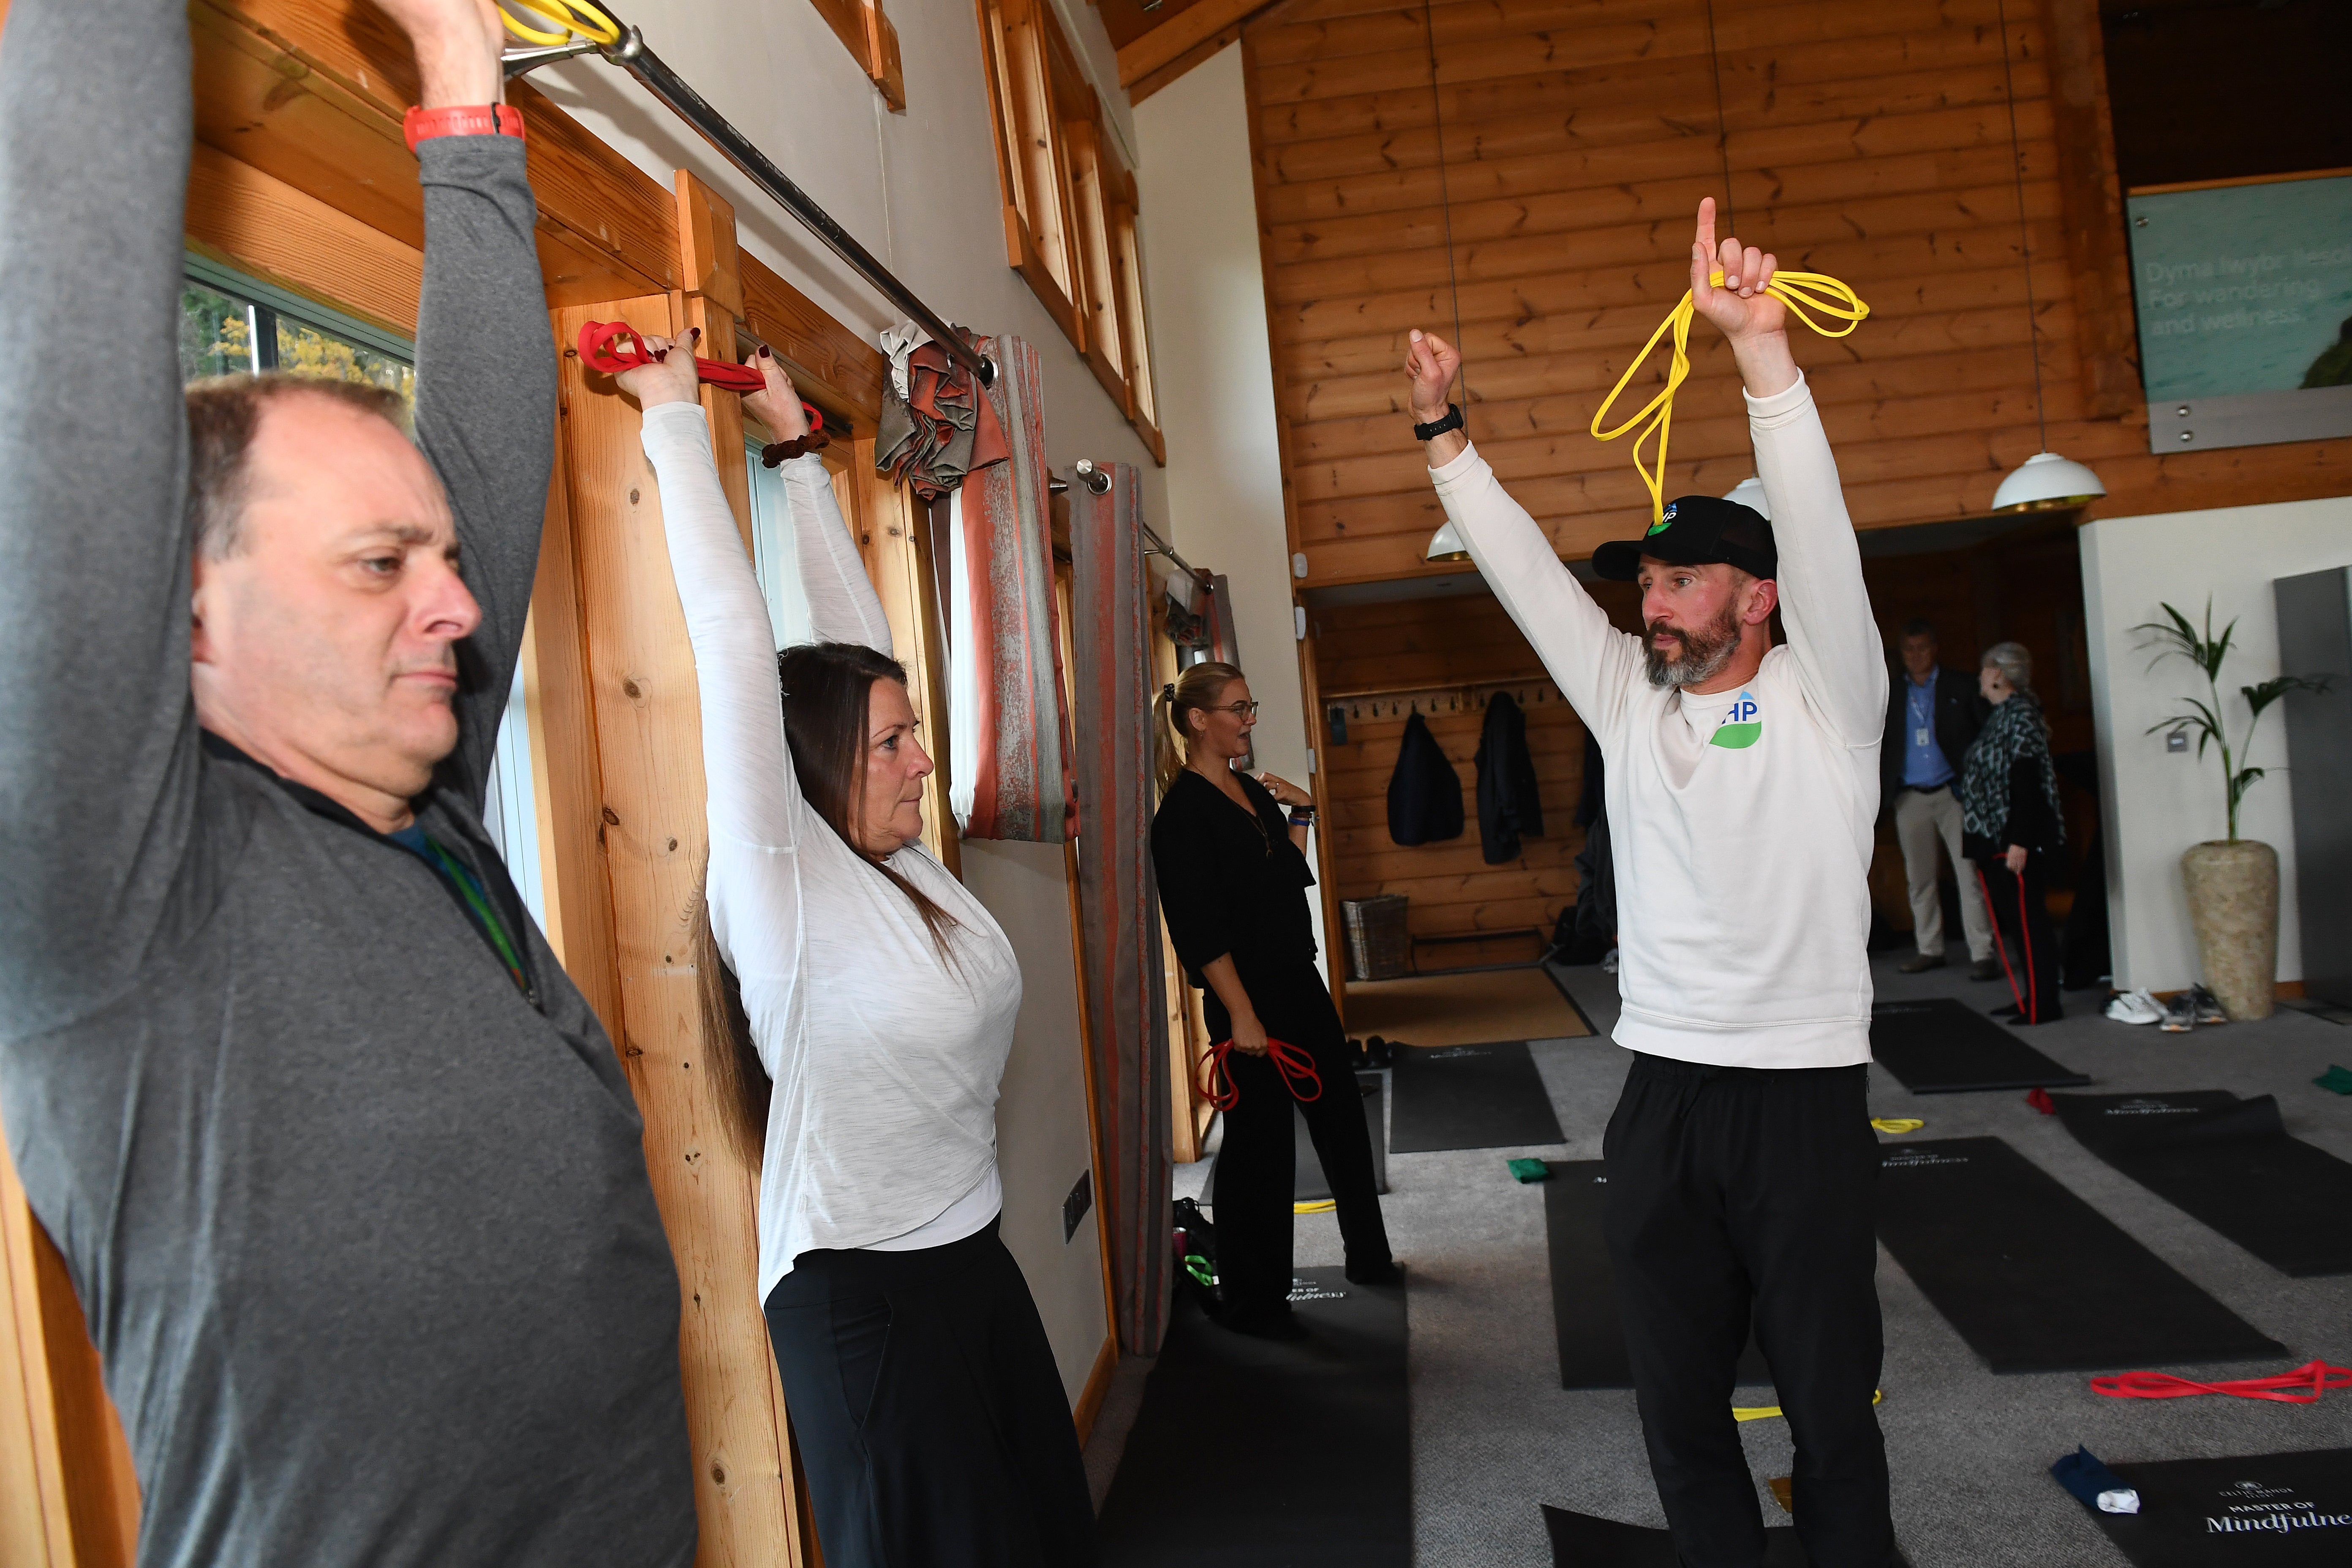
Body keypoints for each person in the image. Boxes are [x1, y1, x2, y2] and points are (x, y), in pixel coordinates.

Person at [0, 0, 696, 1562]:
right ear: (181, 610)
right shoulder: (117, 892)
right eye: (381, 564)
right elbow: (65, 307)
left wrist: (460, 69)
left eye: (438, 558)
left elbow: (487, 450)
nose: (455, 602)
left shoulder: (420, 809)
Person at [1404, 200, 1895, 1567]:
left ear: (1758, 597)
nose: (1651, 602)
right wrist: (1444, 432)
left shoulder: (1832, 703)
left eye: (1683, 581)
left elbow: (1819, 530)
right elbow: (1520, 570)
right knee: (1676, 1408)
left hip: (1802, 1103)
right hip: (1662, 1096)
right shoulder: (1627, 699)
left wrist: (1761, 355)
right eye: (1647, 583)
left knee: (1828, 1408)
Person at [615, 338, 1096, 1566]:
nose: (920, 760)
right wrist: (672, 417)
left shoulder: (902, 856)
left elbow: (858, 642)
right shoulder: (780, 885)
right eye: (892, 744)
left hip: (970, 1265)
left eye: (912, 735)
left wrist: (798, 454)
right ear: (828, 759)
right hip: (860, 1303)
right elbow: (736, 646)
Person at [1149, 663, 1397, 1340]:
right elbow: (1200, 931)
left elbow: (1289, 876)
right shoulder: (1180, 818)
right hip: (1246, 998)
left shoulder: (1252, 792)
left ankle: (1369, 1256)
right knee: (1260, 1152)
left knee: (1342, 1117)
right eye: (1238, 709)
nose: (1250, 720)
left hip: (1297, 980)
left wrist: (1302, 811)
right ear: (1198, 720)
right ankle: (1256, 1304)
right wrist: (1242, 1014)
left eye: (1250, 706)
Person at [1881, 619, 1997, 978]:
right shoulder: (1890, 693)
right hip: (1910, 797)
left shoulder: (1960, 685)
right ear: (1902, 654)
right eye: (1910, 649)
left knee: (1969, 876)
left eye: (1923, 648)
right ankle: (1929, 949)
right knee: (1919, 879)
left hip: (1953, 794)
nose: (1916, 655)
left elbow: (1985, 734)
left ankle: (1983, 953)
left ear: (1935, 649)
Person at [1960, 642, 2066, 1024]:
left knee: (2030, 923)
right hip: (1993, 837)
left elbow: (2027, 783)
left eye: (1986, 668)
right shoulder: (2000, 716)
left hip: (2013, 840)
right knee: (2017, 925)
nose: (1981, 675)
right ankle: (2031, 998)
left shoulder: (2021, 716)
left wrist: (2020, 840)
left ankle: (2043, 1004)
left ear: (2000, 675)